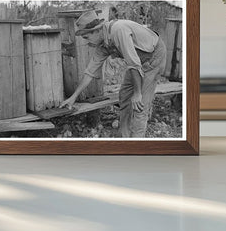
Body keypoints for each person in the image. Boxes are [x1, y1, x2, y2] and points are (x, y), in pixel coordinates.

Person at [60, 10, 167, 138]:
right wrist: (73, 97)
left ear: (96, 30)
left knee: (140, 104)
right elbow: (89, 73)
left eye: (87, 37)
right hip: (137, 62)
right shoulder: (102, 45)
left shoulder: (118, 30)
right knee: (124, 94)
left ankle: (136, 145)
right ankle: (124, 137)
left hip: (154, 57)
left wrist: (138, 93)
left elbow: (133, 64)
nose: (87, 42)